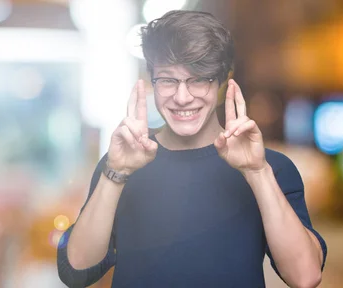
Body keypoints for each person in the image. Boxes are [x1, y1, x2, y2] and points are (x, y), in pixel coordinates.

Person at [57, 10, 327, 288]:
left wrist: (256, 172)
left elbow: (305, 277)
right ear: (152, 82)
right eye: (168, 80)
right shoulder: (122, 162)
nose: (182, 97)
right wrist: (116, 173)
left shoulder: (270, 167)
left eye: (199, 79)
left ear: (222, 83)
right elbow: (77, 272)